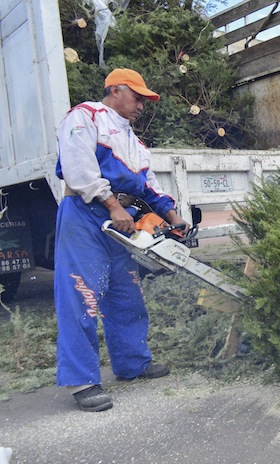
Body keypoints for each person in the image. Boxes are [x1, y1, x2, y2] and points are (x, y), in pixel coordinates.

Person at [54, 68, 190, 412]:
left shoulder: (133, 141)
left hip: (122, 222)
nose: (142, 105)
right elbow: (78, 168)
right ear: (115, 90)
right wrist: (112, 204)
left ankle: (132, 363)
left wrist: (174, 217)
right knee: (82, 294)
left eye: (145, 100)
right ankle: (82, 381)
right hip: (85, 214)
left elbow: (149, 185)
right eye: (137, 96)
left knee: (126, 293)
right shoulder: (84, 117)